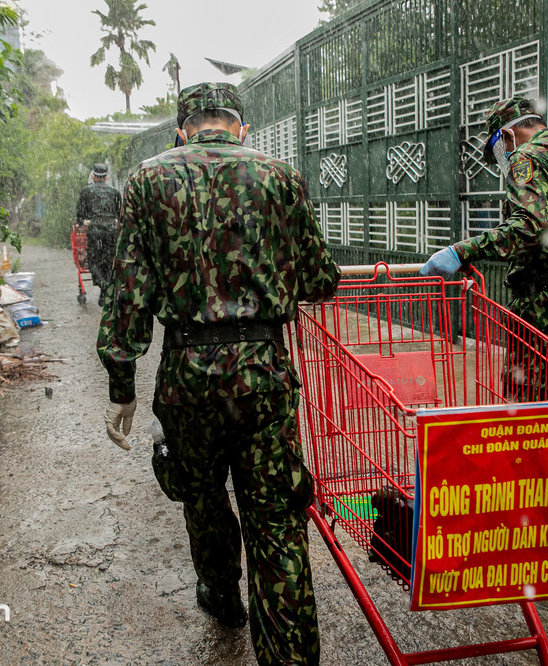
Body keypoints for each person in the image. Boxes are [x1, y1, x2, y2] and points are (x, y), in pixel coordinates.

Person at [98, 82, 340, 666]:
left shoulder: (148, 182)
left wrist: (122, 385)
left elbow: (129, 292)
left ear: (183, 128)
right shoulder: (279, 177)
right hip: (263, 375)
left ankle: (222, 594)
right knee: (276, 515)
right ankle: (288, 655)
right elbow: (320, 279)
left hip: (187, 377)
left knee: (203, 499)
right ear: (240, 128)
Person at [422, 96, 548, 400]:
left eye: (498, 152)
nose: (502, 159)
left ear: (506, 136)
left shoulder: (527, 158)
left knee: (528, 416)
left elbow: (531, 227)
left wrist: (461, 251)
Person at [76, 163, 122, 306]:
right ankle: (105, 290)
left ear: (93, 176)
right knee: (108, 260)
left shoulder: (86, 192)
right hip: (111, 230)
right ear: (107, 177)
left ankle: (103, 285)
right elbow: (120, 213)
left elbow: (80, 215)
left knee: (94, 260)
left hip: (95, 229)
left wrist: (82, 221)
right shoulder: (115, 192)